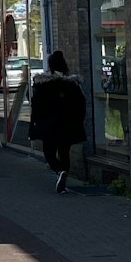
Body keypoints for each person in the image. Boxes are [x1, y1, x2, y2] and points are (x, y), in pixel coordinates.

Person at [29, 50, 89, 192]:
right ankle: (64, 173)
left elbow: (36, 105)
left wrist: (36, 123)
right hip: (67, 125)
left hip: (49, 125)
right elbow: (81, 105)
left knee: (49, 153)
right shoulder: (72, 85)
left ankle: (59, 171)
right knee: (64, 151)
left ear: (50, 65)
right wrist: (78, 121)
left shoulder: (43, 84)